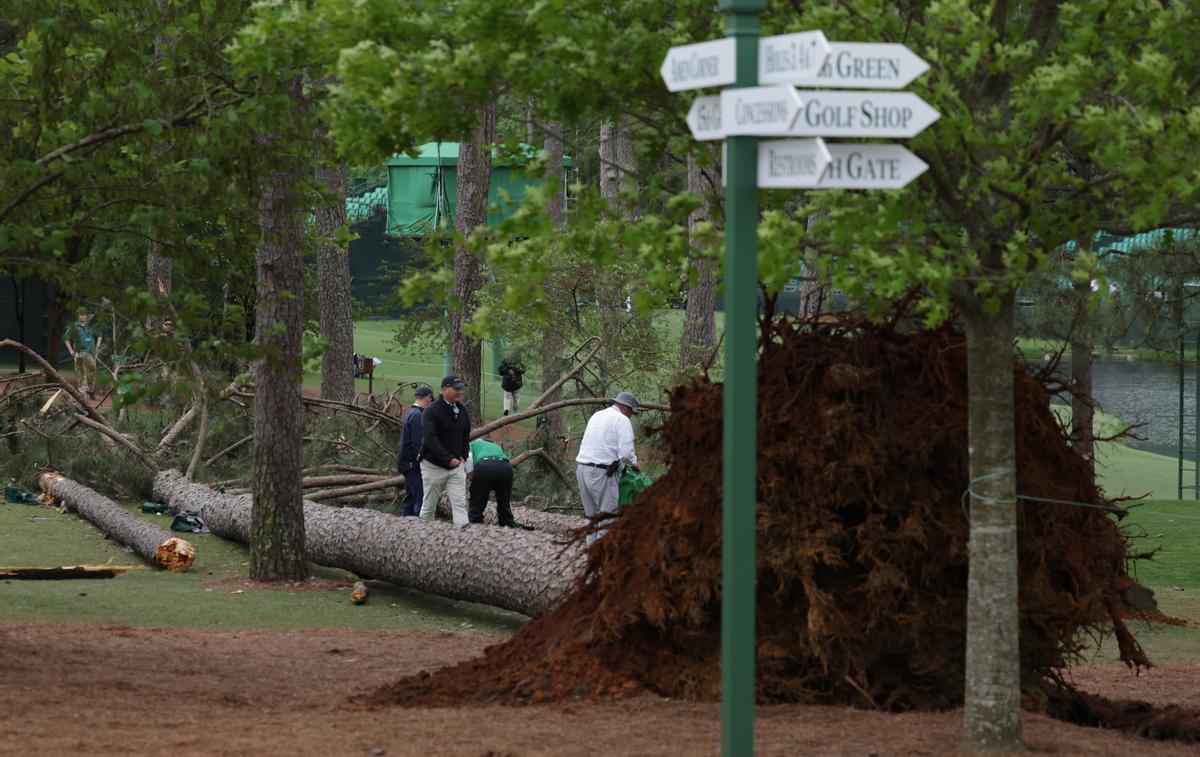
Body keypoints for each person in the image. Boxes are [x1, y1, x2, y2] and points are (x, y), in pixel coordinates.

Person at [575, 391, 639, 544]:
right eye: (631, 412)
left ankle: (591, 557)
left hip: (582, 468)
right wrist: (635, 464)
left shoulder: (598, 415)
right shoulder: (622, 420)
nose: (631, 415)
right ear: (626, 408)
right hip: (602, 472)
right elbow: (626, 453)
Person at [419, 374, 471, 526]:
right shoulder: (431, 410)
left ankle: (462, 541)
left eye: (461, 389)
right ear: (444, 390)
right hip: (433, 466)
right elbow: (430, 439)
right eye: (456, 389)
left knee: (460, 505)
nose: (460, 392)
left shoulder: (462, 410)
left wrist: (463, 455)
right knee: (429, 507)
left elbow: (465, 435)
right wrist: (447, 459)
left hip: (456, 467)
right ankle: (421, 539)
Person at [396, 385, 434, 516]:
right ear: (428, 399)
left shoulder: (411, 413)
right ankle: (418, 528)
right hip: (412, 464)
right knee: (420, 497)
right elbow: (418, 443)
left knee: (410, 497)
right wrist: (424, 460)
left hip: (406, 463)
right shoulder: (418, 415)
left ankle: (404, 525)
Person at [467, 435, 517, 527]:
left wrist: (470, 474)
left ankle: (475, 527)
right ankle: (508, 528)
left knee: (477, 502)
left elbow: (469, 457)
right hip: (505, 468)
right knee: (504, 502)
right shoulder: (496, 446)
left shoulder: (473, 444)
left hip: (485, 467)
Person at [63, 307, 102, 399]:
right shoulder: (74, 326)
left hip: (90, 353)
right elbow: (66, 338)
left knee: (93, 371)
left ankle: (91, 390)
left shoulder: (91, 326)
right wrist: (71, 350)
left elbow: (100, 335)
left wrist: (97, 346)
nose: (83, 317)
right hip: (79, 352)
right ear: (78, 316)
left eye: (84, 315)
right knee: (81, 372)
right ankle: (82, 392)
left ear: (86, 316)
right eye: (81, 315)